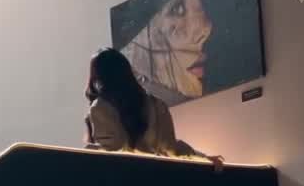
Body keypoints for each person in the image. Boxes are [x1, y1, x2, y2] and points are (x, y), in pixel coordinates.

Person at [82, 48, 225, 170]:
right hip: (157, 183)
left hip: (123, 185)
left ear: (97, 76)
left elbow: (113, 151)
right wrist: (203, 158)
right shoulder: (156, 104)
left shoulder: (100, 107)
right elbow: (172, 148)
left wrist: (86, 153)